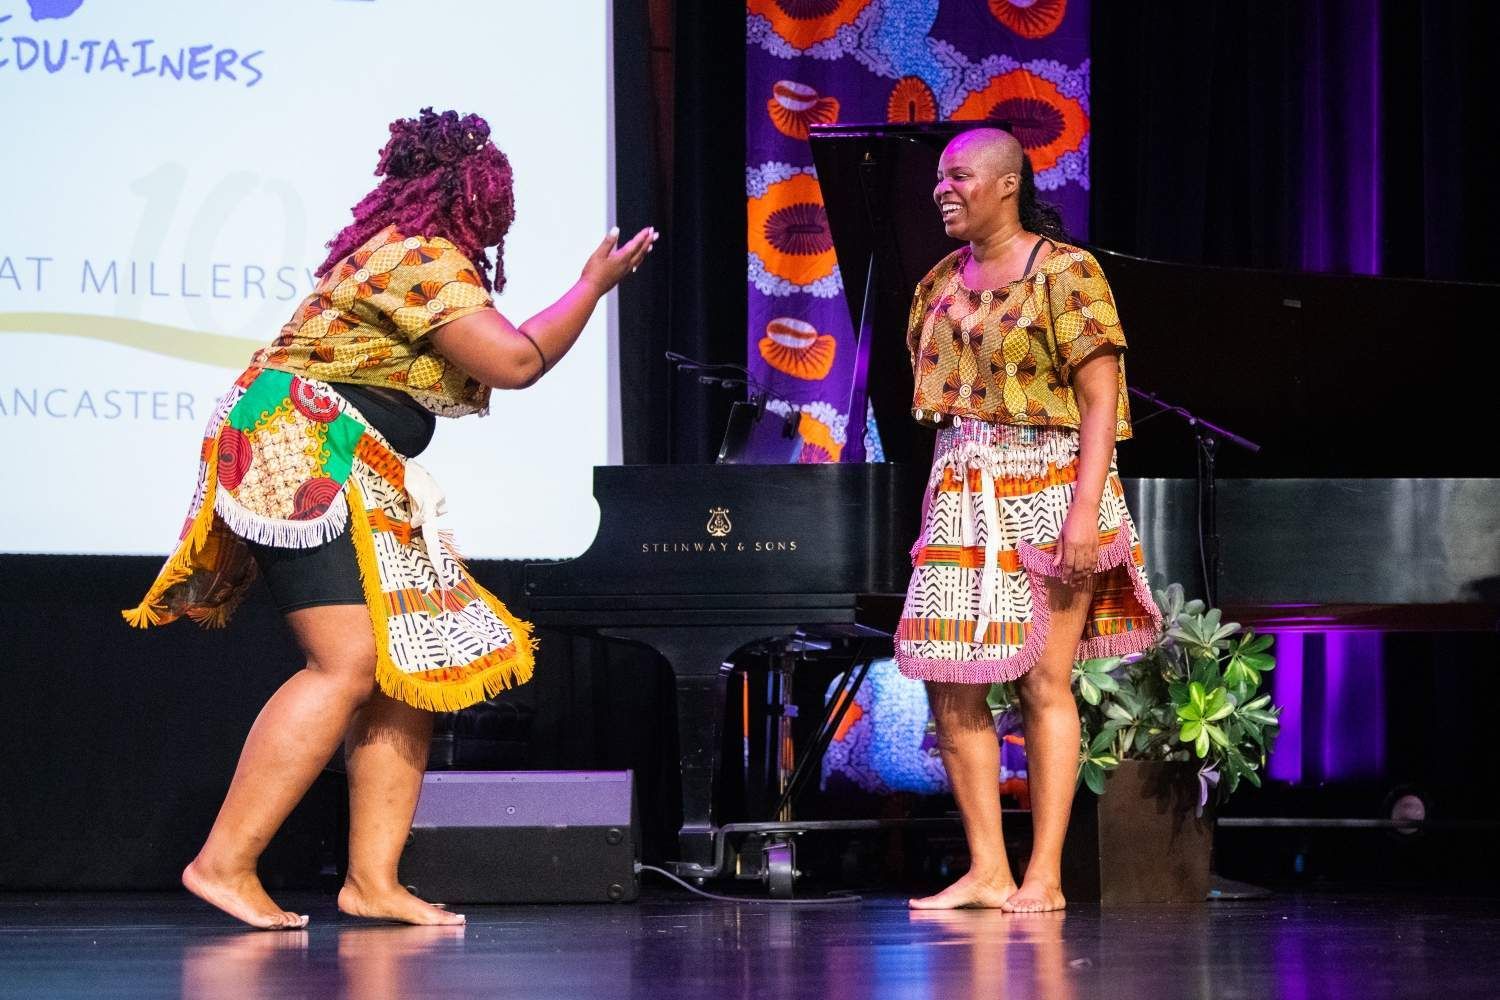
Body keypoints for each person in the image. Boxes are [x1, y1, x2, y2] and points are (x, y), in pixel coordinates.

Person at [123, 108, 655, 929]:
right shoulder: (416, 255)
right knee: (347, 661)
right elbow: (515, 361)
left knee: (406, 666)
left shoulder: (399, 250)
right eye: (497, 194)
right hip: (304, 443)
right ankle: (222, 863)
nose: (503, 210)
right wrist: (591, 286)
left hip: (353, 454)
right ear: (472, 192)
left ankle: (372, 882)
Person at [896, 127, 1161, 912]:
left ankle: (1044, 873)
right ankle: (988, 869)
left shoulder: (1066, 272)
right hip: (962, 487)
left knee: (1045, 679)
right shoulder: (939, 283)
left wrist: (1084, 512)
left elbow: (1101, 399)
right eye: (940, 177)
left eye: (959, 176)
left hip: (1050, 483)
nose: (943, 189)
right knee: (951, 683)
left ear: (1008, 184)